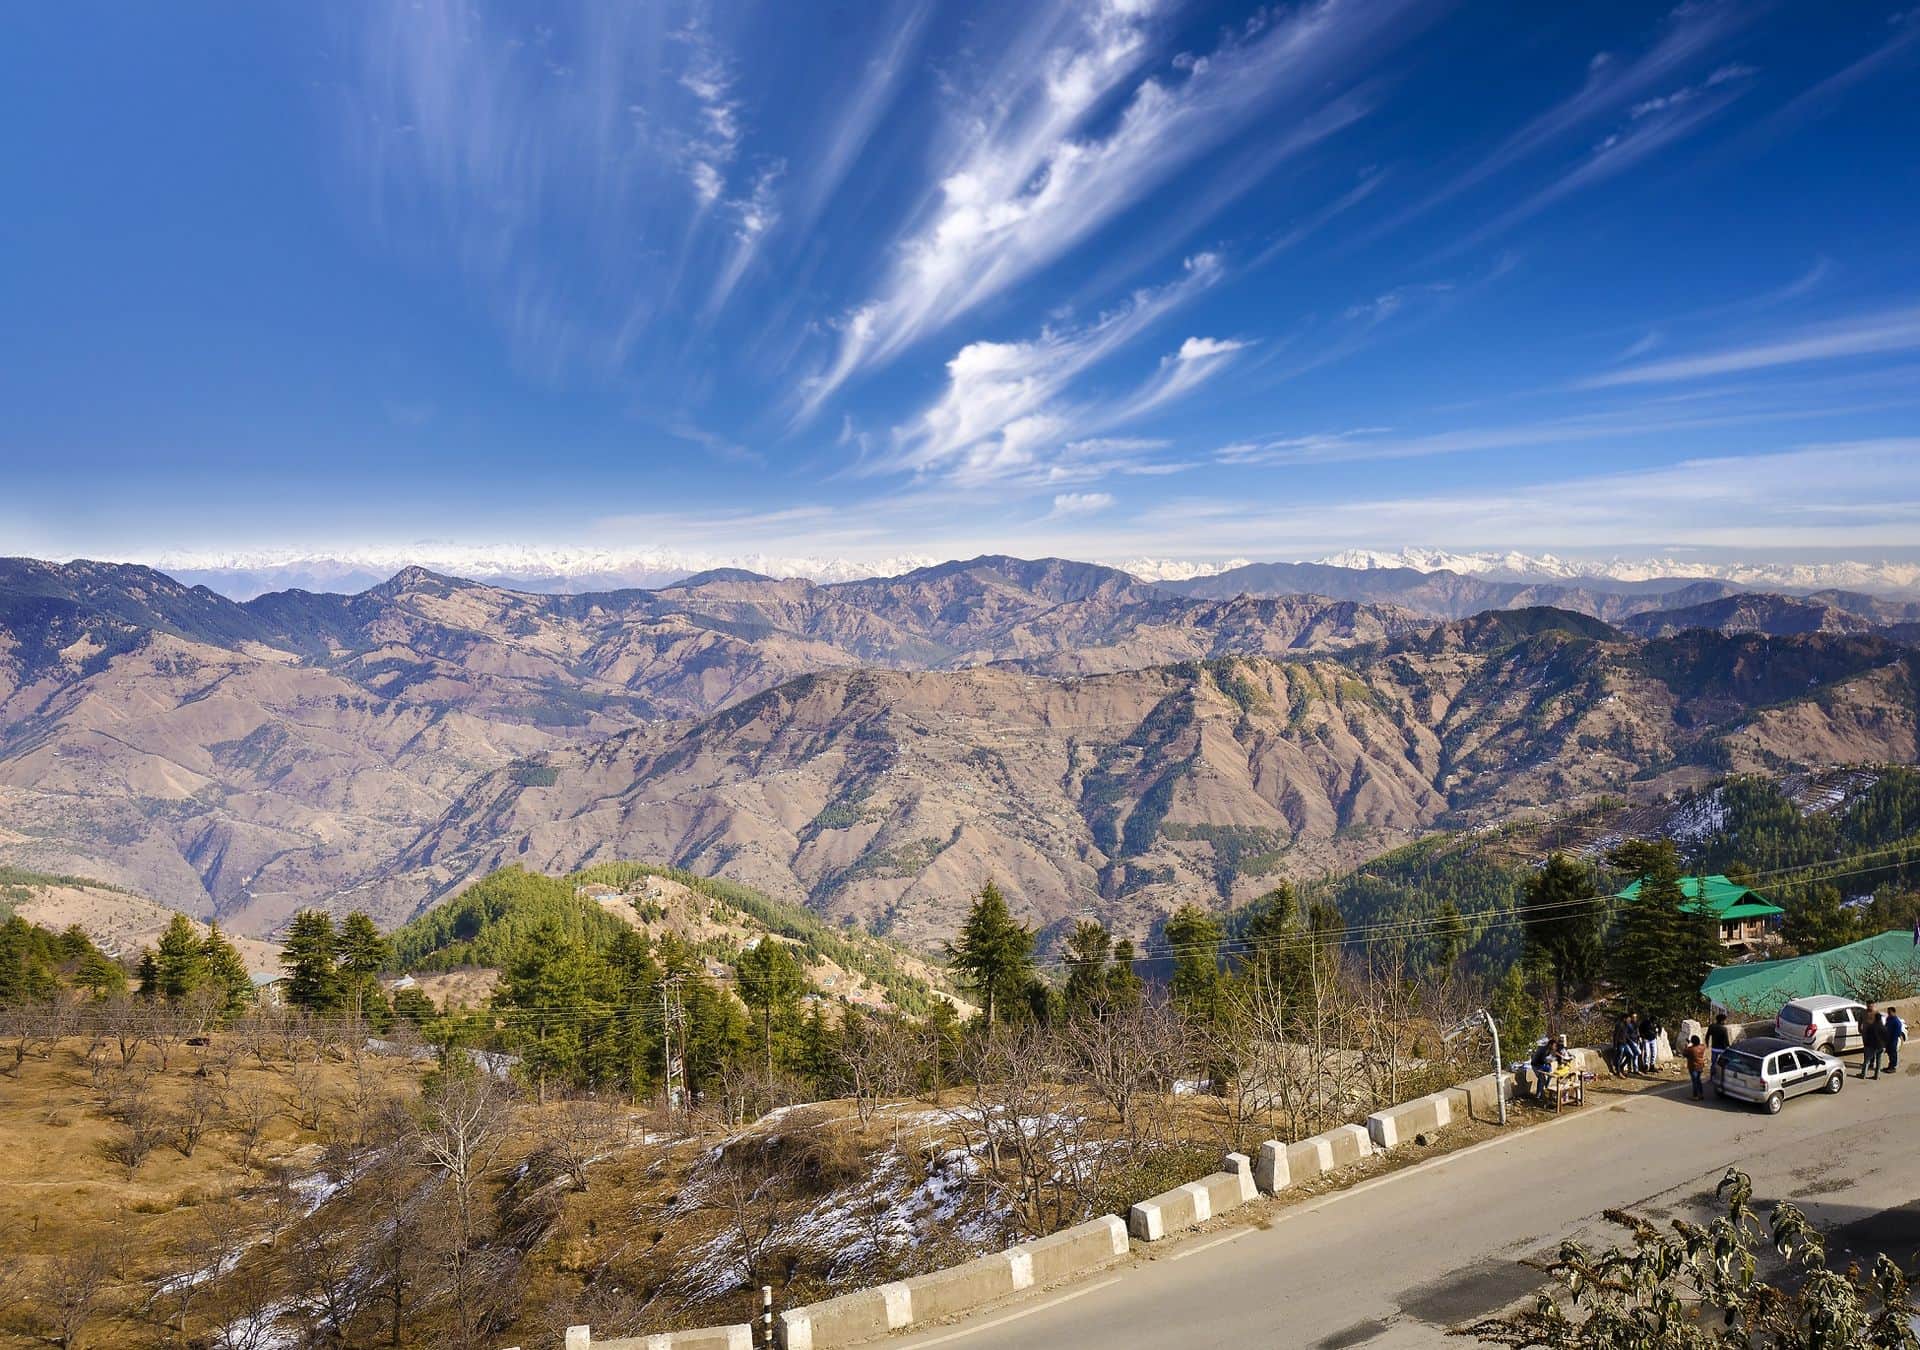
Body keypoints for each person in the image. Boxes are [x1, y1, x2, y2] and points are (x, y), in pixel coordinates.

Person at [1860, 1009, 1885, 1079]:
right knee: (1879, 1062)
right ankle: (1876, 1076)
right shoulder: (1882, 1027)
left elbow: (1868, 1037)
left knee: (1867, 1061)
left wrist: (1866, 1044)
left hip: (1872, 1046)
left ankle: (1863, 1074)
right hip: (1880, 1046)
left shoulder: (1871, 1027)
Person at [1614, 1009, 1640, 1076]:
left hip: (1625, 1043)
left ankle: (1622, 1067)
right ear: (1624, 1019)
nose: (1629, 1020)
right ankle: (1618, 1071)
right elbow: (1615, 1035)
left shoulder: (1626, 1025)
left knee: (1630, 1055)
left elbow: (1626, 1035)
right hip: (1620, 1043)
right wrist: (1615, 1046)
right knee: (1619, 1057)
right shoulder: (1619, 1025)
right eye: (1628, 1019)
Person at [1683, 1034, 1709, 1100]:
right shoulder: (1702, 1047)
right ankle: (1701, 1094)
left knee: (1694, 1081)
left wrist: (1687, 1046)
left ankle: (1695, 1096)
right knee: (1698, 1080)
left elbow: (1684, 1054)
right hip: (1700, 1066)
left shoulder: (1691, 1049)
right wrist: (1691, 1043)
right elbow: (1702, 1045)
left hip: (1693, 1067)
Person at [1887, 1007, 1907, 1073]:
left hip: (1893, 1039)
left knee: (1893, 1053)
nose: (1888, 1013)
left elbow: (1898, 1032)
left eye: (1889, 1012)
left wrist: (1894, 1038)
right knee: (1889, 1053)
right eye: (1888, 1012)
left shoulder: (1896, 1021)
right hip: (1888, 1039)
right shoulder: (1889, 1019)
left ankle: (1893, 1067)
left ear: (1893, 1012)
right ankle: (1890, 1066)